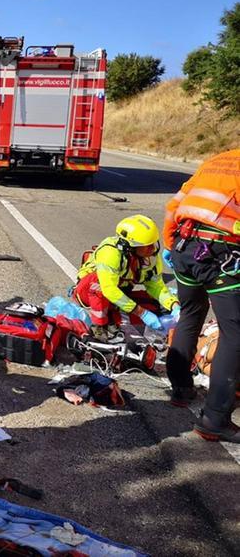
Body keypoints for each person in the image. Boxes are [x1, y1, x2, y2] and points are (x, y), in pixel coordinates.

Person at [163, 148, 240, 443]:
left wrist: (170, 244)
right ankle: (215, 419)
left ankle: (181, 389)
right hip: (218, 254)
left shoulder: (218, 160)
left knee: (191, 314)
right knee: (234, 336)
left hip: (185, 248)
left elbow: (176, 204)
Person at [73, 215, 179, 342]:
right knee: (98, 283)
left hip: (119, 293)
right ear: (130, 247)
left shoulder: (150, 257)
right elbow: (109, 289)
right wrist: (141, 313)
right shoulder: (110, 253)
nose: (152, 249)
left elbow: (156, 286)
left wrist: (173, 305)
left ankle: (114, 316)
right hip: (89, 292)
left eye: (153, 244)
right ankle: (99, 327)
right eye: (147, 246)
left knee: (158, 305)